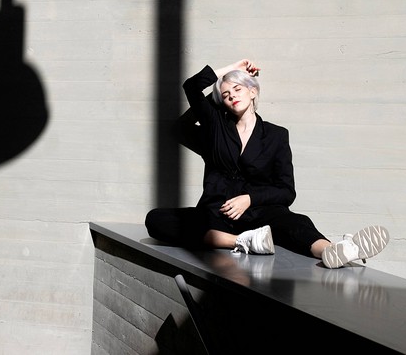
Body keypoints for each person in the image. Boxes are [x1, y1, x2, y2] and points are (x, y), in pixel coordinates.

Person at [145, 59, 389, 269]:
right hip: (216, 214)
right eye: (227, 96)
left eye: (238, 90)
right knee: (157, 220)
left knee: (295, 223)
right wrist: (229, 75)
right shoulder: (216, 128)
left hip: (260, 214)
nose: (232, 97)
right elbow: (191, 87)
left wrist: (250, 198)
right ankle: (242, 241)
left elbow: (286, 191)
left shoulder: (276, 135)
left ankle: (333, 250)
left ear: (253, 92)